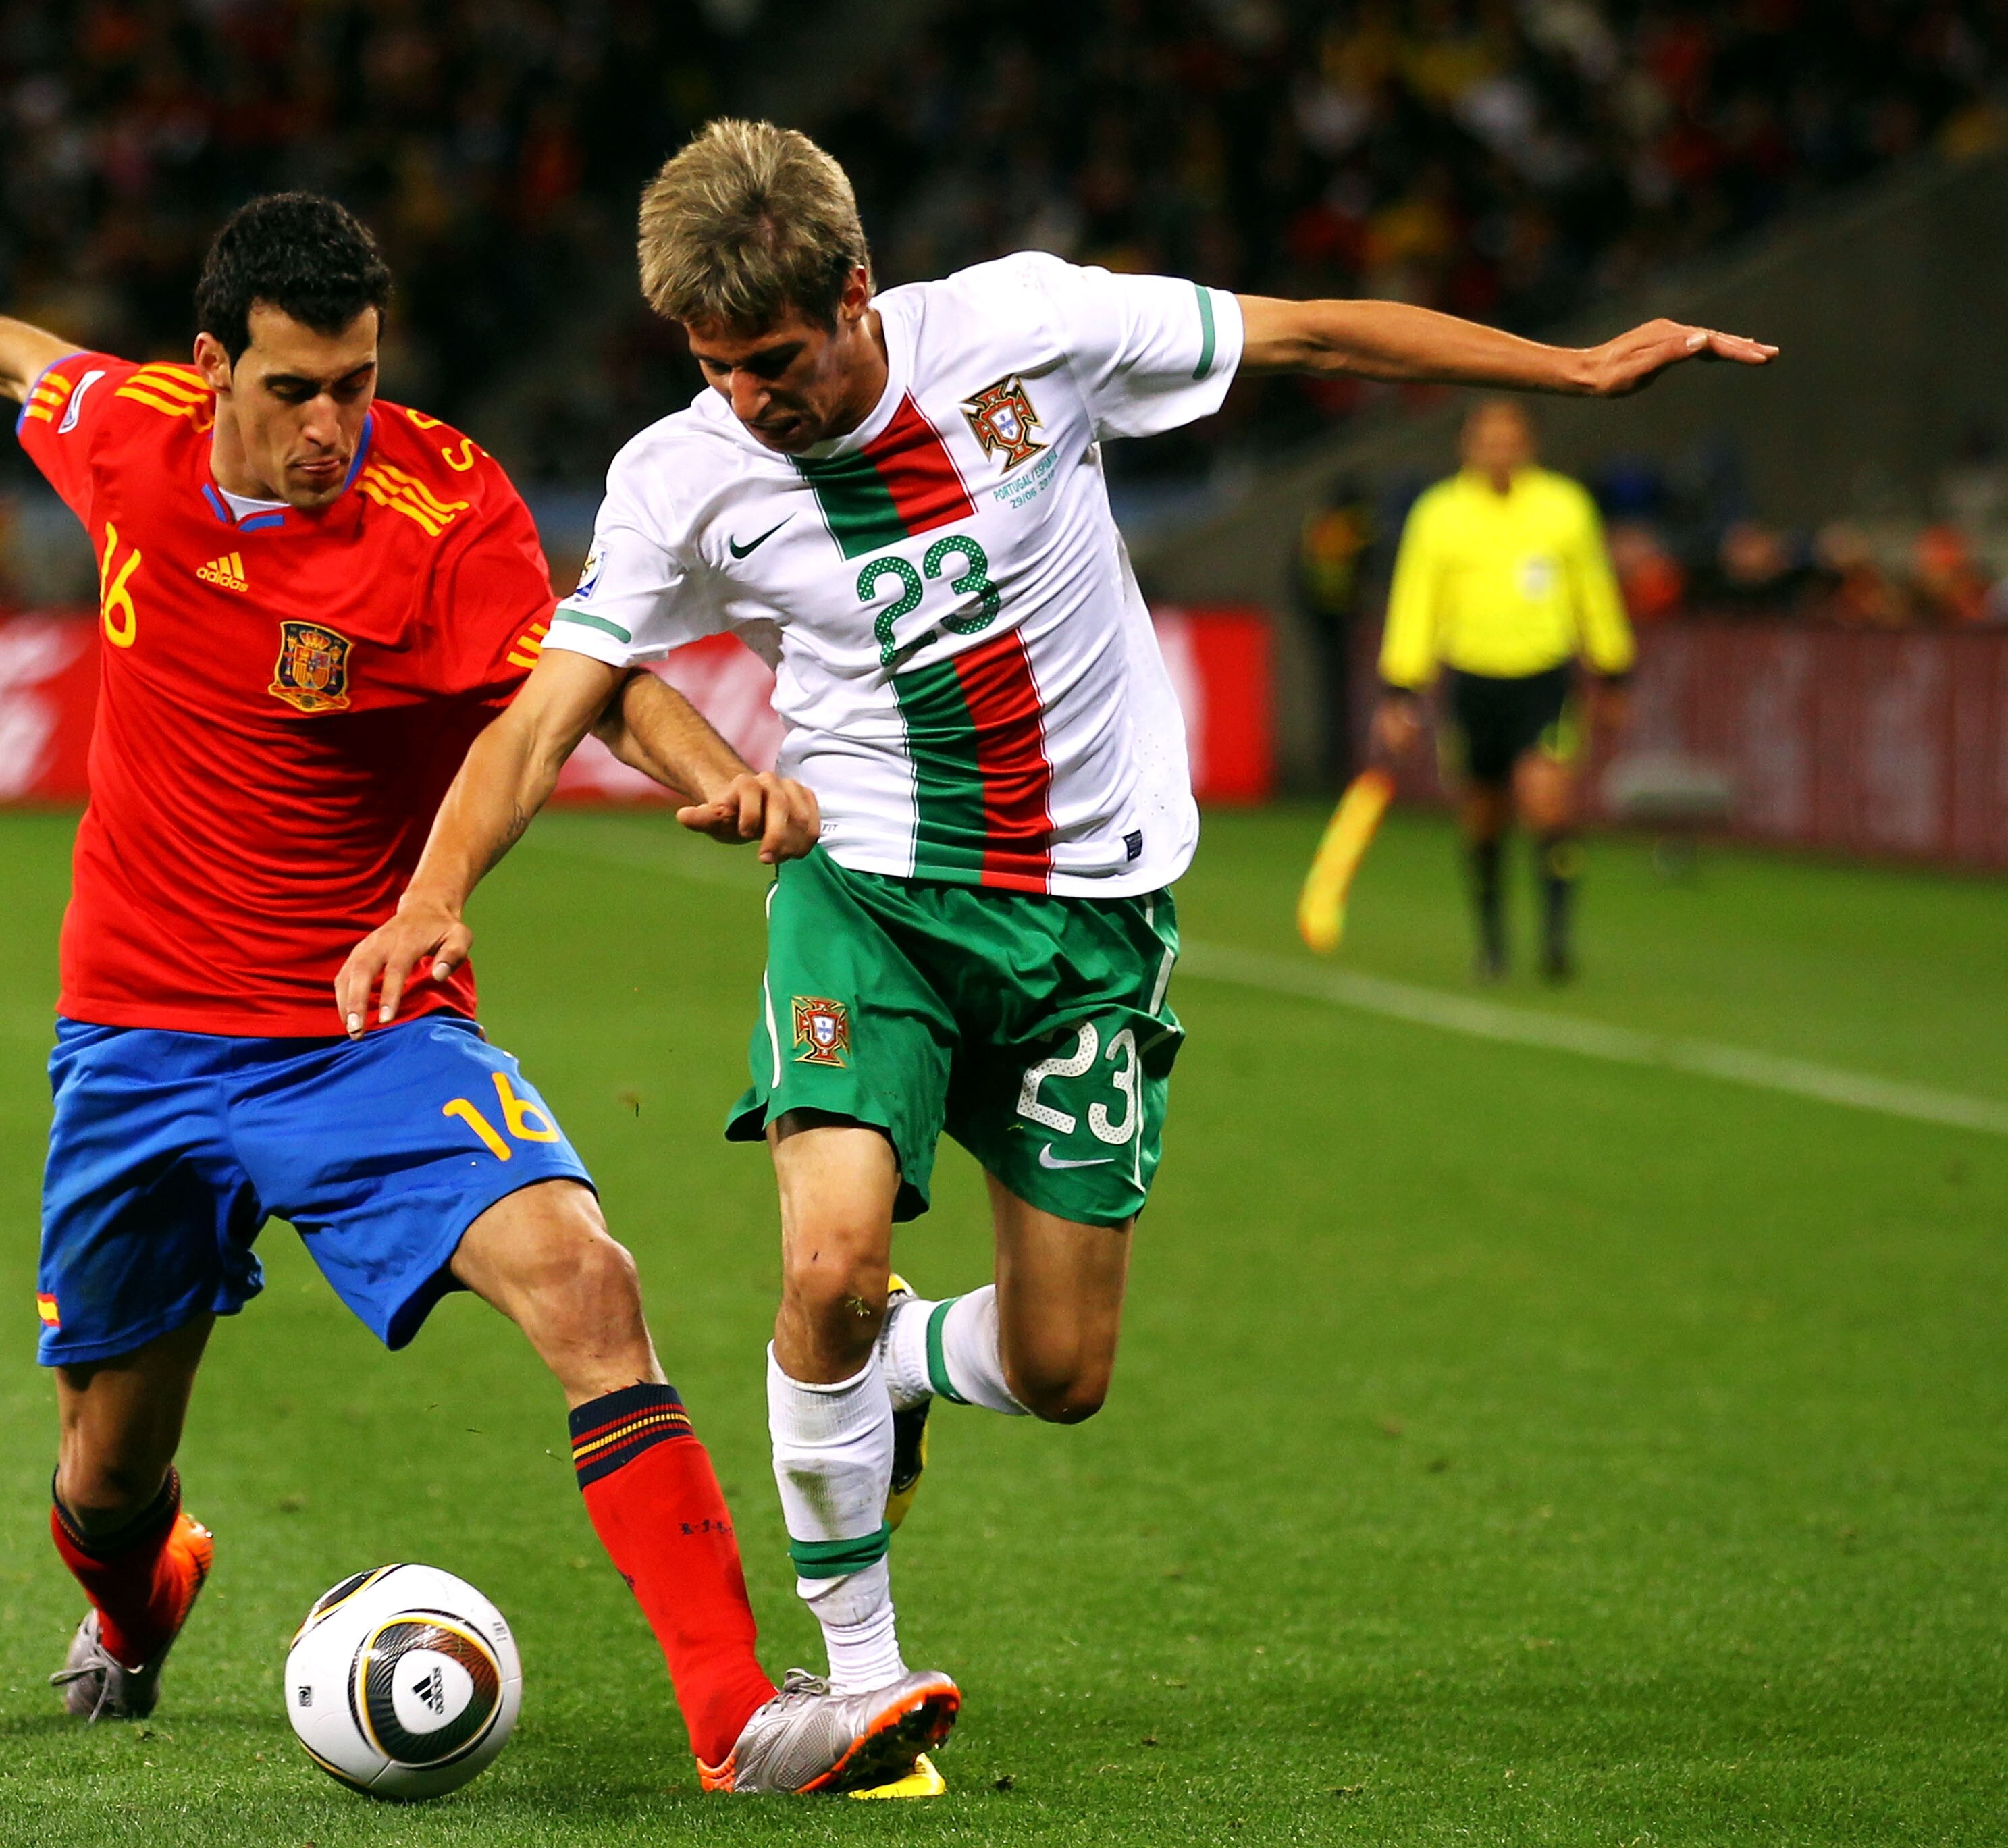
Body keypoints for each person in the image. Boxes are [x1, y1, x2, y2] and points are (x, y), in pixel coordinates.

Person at [340, 117, 1773, 1767]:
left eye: (773, 359)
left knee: (1062, 1365)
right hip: (866, 894)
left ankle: (895, 1380)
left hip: (1091, 912)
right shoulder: (685, 479)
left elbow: (1303, 329)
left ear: (857, 293)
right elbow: (547, 714)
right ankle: (856, 1673)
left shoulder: (1029, 328)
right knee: (825, 1267)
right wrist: (437, 892)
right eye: (714, 365)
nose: (747, 397)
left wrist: (1577, 371)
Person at [0, 195, 947, 1797]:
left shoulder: (440, 511)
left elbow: (578, 679)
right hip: (136, 1039)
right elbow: (31, 361)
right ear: (210, 371)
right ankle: (140, 1593)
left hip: (360, 1027)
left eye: (357, 383)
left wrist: (720, 773)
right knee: (106, 1474)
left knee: (586, 1285)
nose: (333, 426)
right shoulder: (133, 436)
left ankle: (737, 1714)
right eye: (295, 390)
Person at [1376, 400, 1637, 982]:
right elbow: (1416, 602)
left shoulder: (1564, 507)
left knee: (1548, 802)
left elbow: (1593, 590)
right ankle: (1492, 943)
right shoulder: (1439, 513)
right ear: (1468, 444)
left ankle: (1556, 940)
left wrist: (1613, 669)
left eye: (1509, 438)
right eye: (1487, 438)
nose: (1499, 449)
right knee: (1483, 816)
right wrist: (1401, 687)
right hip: (1472, 683)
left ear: (1529, 444)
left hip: (1543, 679)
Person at [1294, 476, 1377, 791]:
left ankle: (1334, 764)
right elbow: (1365, 571)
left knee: (1332, 694)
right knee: (1345, 696)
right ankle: (1344, 764)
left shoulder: (1318, 527)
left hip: (1322, 622)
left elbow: (1299, 574)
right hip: (1344, 622)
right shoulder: (1357, 529)